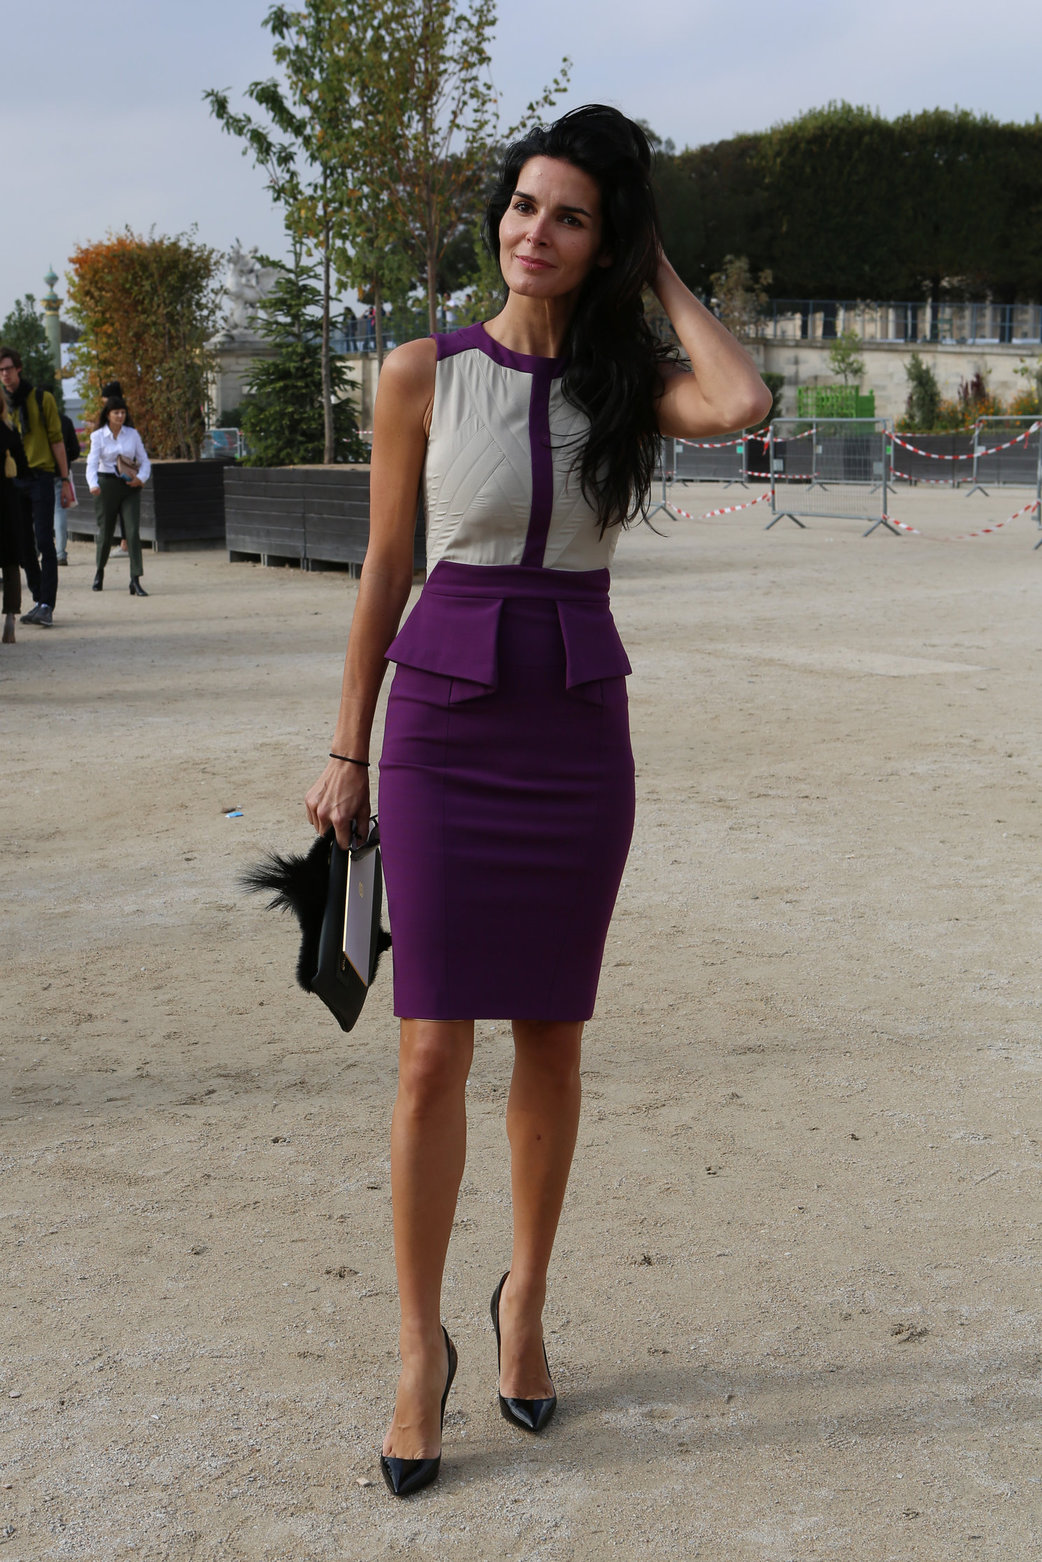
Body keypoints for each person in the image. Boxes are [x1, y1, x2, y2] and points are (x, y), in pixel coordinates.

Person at [304, 103, 770, 1497]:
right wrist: (346, 747)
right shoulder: (419, 371)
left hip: (572, 728)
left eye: (570, 215)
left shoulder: (630, 384)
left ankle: (525, 1301)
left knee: (552, 1040)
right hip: (442, 725)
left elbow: (741, 401)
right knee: (427, 1050)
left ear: (602, 239)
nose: (534, 232)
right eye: (522, 205)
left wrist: (656, 262)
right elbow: (385, 568)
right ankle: (415, 1349)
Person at [0, 346, 72, 628]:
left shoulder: (42, 399)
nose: (4, 374)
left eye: (8, 368)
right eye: (0, 370)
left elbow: (57, 440)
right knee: (23, 545)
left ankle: (47, 604)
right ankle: (39, 598)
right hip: (14, 480)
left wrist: (65, 480)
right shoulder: (2, 403)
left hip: (41, 476)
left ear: (18, 368)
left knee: (44, 540)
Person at [86, 396, 151, 596]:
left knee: (132, 531)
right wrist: (93, 484)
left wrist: (141, 478)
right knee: (105, 532)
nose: (120, 416)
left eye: (123, 412)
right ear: (108, 415)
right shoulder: (98, 436)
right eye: (116, 413)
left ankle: (135, 578)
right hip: (106, 485)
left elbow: (144, 460)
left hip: (129, 485)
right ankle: (99, 571)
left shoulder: (132, 434)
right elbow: (92, 463)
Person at [0, 406, 30, 643]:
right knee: (10, 563)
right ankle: (10, 617)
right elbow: (24, 468)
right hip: (7, 505)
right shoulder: (9, 432)